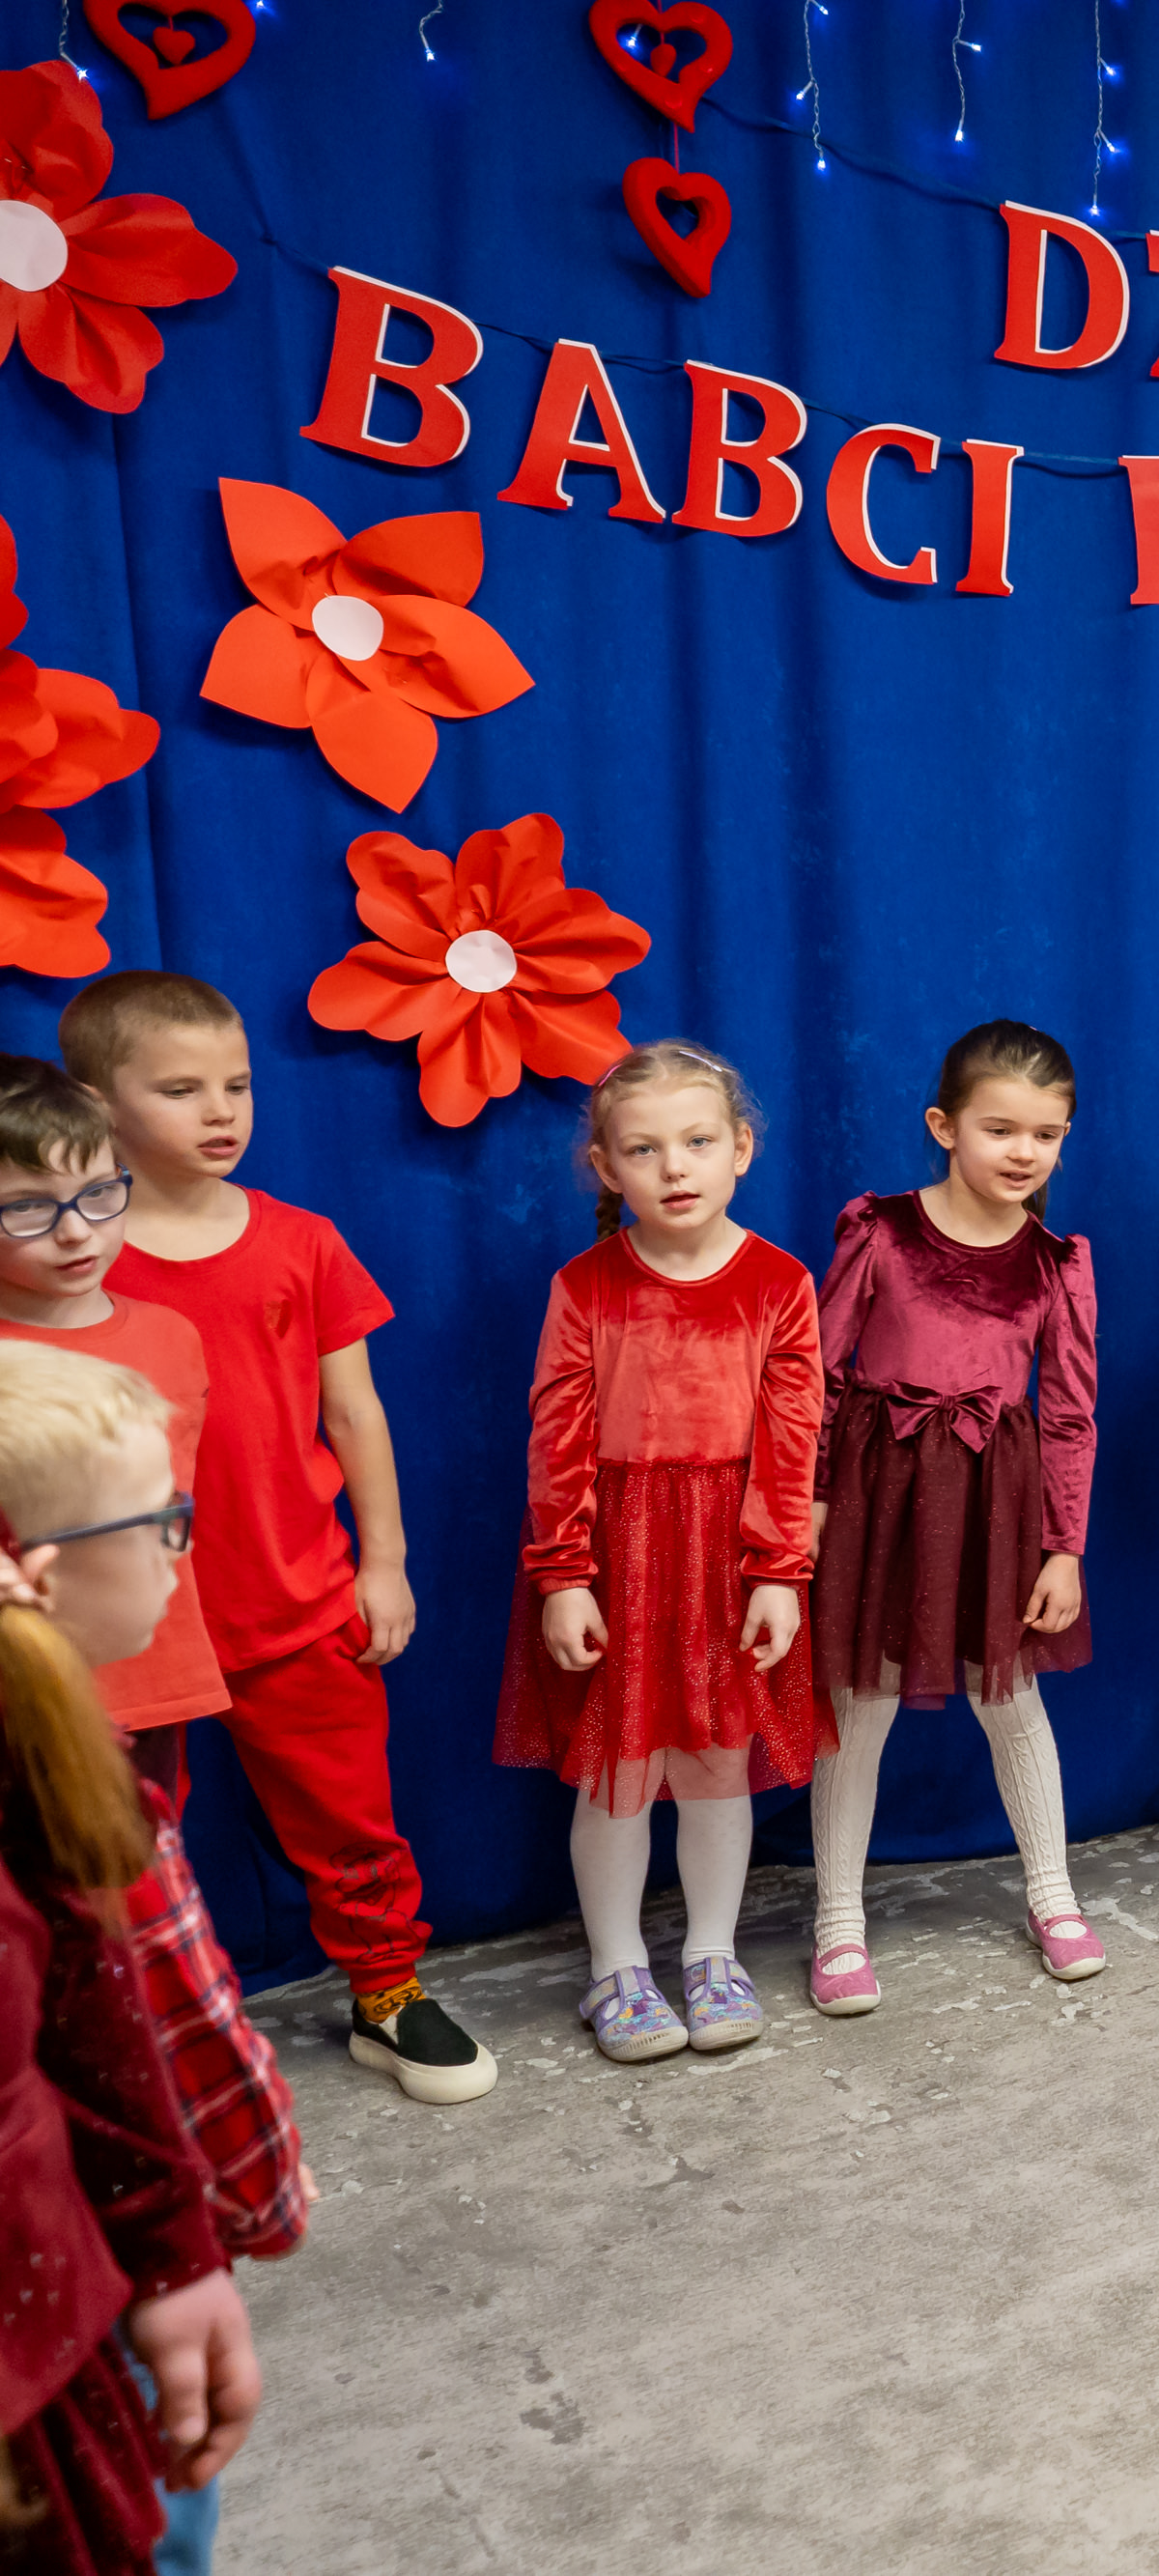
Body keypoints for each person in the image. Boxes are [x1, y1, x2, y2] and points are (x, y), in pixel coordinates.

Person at [59, 972, 488, 2105]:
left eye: (238, 1085)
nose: (221, 1111)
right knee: (123, 1838)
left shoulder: (302, 1241)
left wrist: (383, 1562)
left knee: (351, 1816)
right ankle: (135, 2027)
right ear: (98, 1104)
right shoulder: (69, 1259)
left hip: (297, 1597)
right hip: (129, 1625)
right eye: (182, 1089)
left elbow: (354, 1415)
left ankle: (385, 1992)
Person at [0, 1344, 304, 2576]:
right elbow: (169, 2048)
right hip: (95, 2306)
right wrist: (239, 2207)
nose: (184, 1546)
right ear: (44, 1572)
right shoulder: (80, 1824)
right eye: (162, 1521)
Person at [493, 1043, 827, 2062]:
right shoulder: (586, 1286)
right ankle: (616, 1965)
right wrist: (564, 1576)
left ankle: (712, 1953)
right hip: (621, 1556)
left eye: (697, 1142)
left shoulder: (780, 1282)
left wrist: (778, 1573)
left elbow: (793, 1439)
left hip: (729, 1556)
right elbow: (556, 1438)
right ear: (605, 1166)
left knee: (720, 1763)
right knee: (620, 1769)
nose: (675, 1167)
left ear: (741, 1148)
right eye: (644, 1149)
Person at [805, 1022, 1103, 2012]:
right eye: (1000, 1129)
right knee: (861, 1704)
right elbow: (817, 1375)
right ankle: (838, 1922)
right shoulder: (880, 1231)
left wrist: (1063, 1548)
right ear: (944, 1126)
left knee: (1011, 1700)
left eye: (1046, 1135)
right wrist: (810, 1501)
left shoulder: (1057, 1262)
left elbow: (1069, 1414)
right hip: (880, 1499)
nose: (1024, 1152)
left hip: (993, 1504)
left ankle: (1052, 1894)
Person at [0, 1062, 227, 1787]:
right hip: (27, 1691)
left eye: (98, 1195)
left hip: (156, 1674)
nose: (75, 1232)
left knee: (149, 1845)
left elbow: (173, 1513)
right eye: (26, 1208)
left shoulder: (171, 1336)